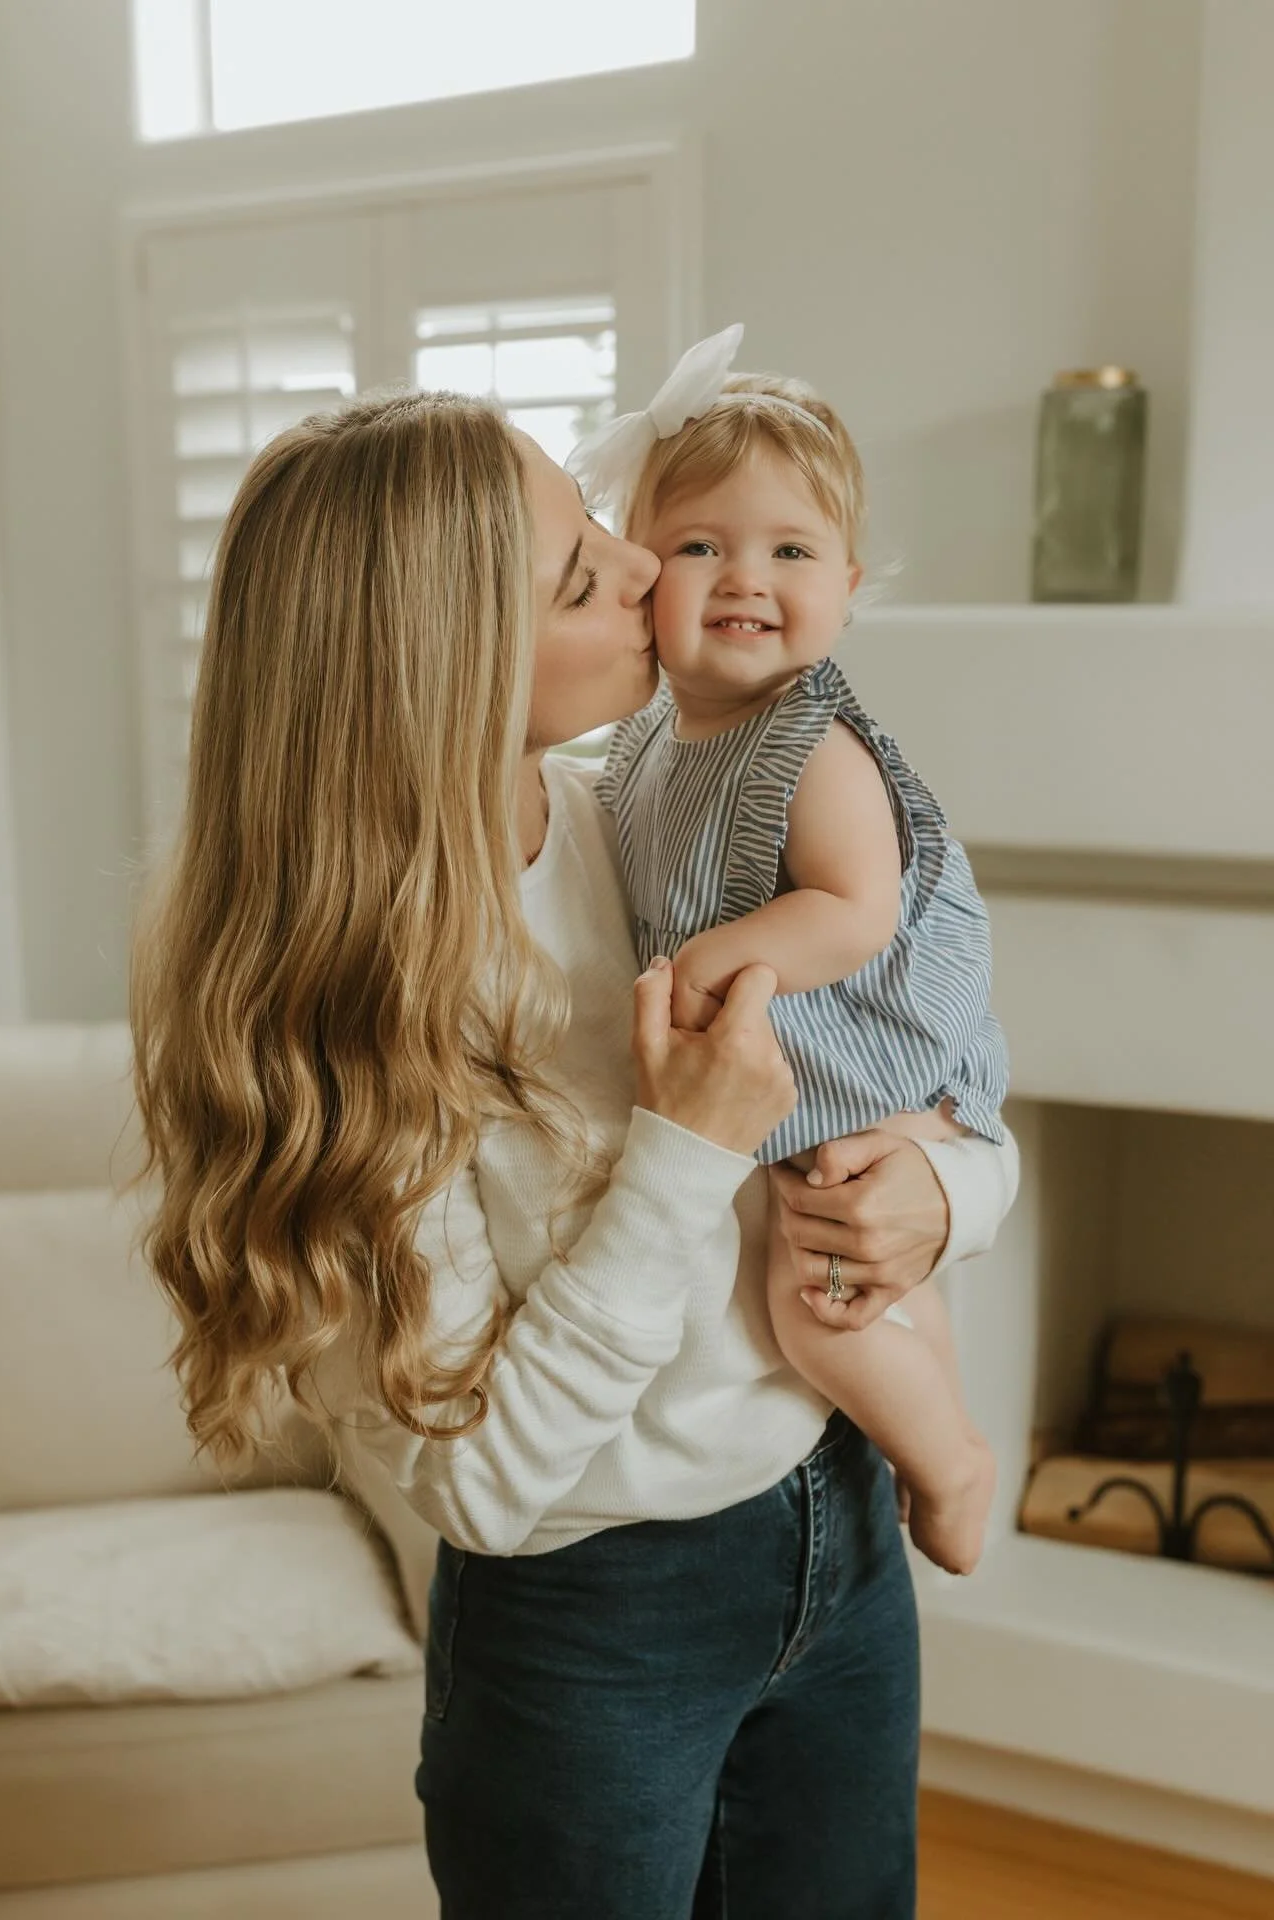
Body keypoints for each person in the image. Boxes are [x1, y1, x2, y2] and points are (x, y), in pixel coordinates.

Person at [129, 386, 1019, 1919]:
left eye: (608, 527)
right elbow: (486, 1485)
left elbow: (928, 1057)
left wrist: (945, 1198)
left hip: (839, 1520)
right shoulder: (347, 1011)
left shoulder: (652, 818)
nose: (645, 570)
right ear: (442, 661)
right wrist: (683, 1150)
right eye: (580, 569)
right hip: (599, 1622)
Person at [572, 323, 1008, 1576]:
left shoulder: (808, 745)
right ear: (641, 571)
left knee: (812, 1313)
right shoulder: (648, 741)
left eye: (791, 550)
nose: (742, 577)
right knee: (857, 1282)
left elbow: (854, 907)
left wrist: (716, 958)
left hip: (866, 1057)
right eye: (699, 544)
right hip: (789, 1078)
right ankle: (937, 1415)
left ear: (852, 585)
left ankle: (950, 1460)